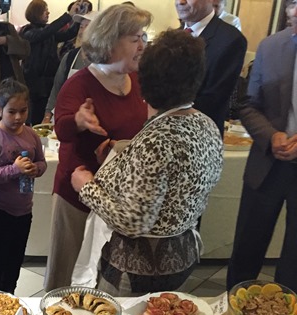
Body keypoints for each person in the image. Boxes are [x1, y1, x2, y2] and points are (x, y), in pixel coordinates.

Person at [71, 29, 223, 295]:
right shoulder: (206, 125)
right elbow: (176, 176)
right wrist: (122, 156)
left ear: (146, 82)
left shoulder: (155, 141)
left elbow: (132, 222)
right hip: (183, 253)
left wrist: (86, 186)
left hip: (139, 269)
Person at [44, 3, 151, 291]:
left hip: (118, 195)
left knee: (106, 274)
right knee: (64, 272)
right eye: (135, 39)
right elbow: (61, 128)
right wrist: (79, 121)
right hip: (77, 194)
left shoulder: (137, 80)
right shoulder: (80, 84)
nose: (142, 46)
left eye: (143, 37)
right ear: (110, 42)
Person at [227, 0, 297, 292]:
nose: (294, 12)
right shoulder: (270, 47)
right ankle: (234, 310)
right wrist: (271, 136)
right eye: (293, 5)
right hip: (267, 163)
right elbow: (248, 104)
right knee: (247, 249)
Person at [0, 79, 47, 293]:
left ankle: (9, 299)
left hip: (23, 211)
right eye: (12, 112)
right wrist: (15, 169)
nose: (18, 117)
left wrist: (35, 168)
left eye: (23, 111)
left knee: (13, 265)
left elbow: (42, 162)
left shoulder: (31, 135)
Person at [176, 0, 247, 136]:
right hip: (165, 132)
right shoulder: (173, 36)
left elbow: (213, 99)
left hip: (201, 136)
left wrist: (167, 111)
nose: (180, 2)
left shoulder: (230, 39)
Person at [21, 0, 84, 126]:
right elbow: (44, 33)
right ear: (37, 12)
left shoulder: (48, 31)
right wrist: (68, 16)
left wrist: (78, 20)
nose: (48, 13)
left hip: (49, 81)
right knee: (36, 116)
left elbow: (68, 34)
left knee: (48, 113)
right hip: (35, 84)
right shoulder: (27, 31)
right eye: (45, 10)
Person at [42, 9, 97, 125]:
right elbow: (56, 89)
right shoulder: (70, 57)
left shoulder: (105, 61)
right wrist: (47, 115)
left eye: (87, 26)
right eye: (81, 27)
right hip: (66, 118)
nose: (82, 31)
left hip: (94, 121)